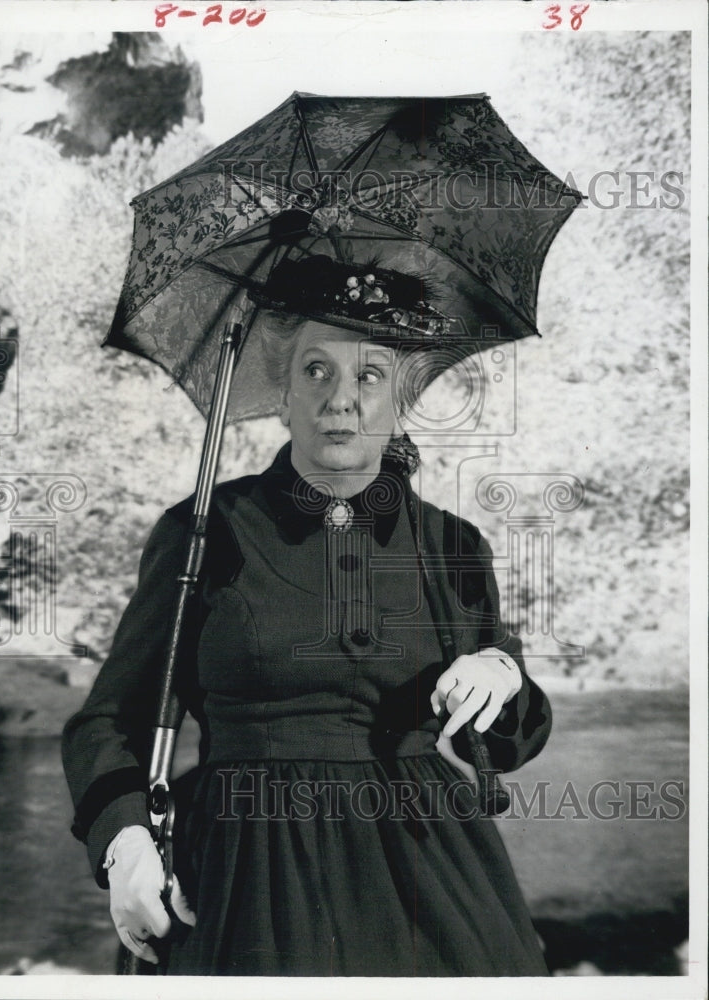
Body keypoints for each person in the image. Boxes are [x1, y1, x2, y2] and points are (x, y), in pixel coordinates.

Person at [62, 254, 552, 976]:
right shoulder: (205, 533)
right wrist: (125, 842)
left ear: (400, 400)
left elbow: (511, 746)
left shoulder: (451, 546)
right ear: (283, 393)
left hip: (431, 873)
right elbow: (108, 722)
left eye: (369, 376)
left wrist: (502, 673)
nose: (341, 398)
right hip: (243, 873)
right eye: (316, 371)